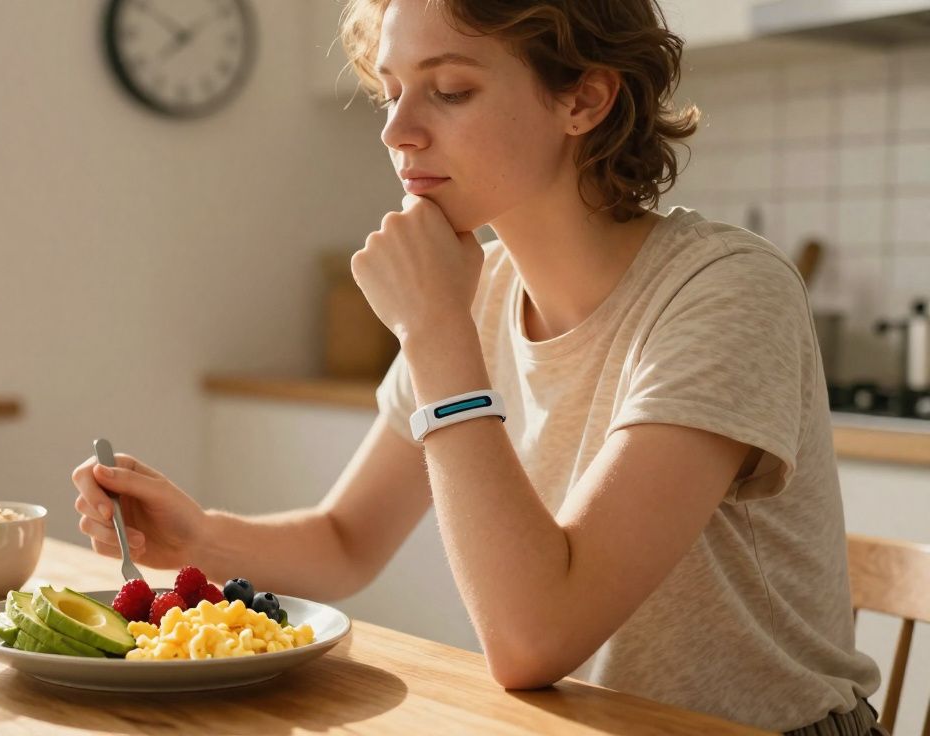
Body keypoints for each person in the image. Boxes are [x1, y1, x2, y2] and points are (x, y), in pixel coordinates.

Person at [71, 1, 884, 732]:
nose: (396, 131)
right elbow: (347, 539)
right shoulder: (481, 291)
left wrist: (432, 328)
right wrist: (199, 536)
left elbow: (533, 639)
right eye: (391, 90)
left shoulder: (724, 290)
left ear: (584, 100)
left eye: (449, 90)